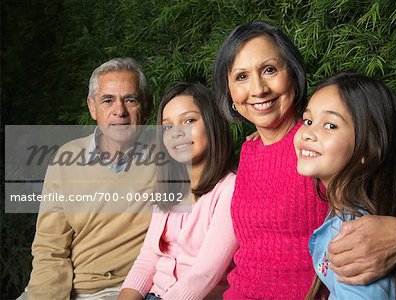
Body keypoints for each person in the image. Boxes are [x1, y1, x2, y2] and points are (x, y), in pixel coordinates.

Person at [211, 20, 396, 299]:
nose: (259, 89)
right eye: (241, 77)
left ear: (294, 74)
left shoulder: (319, 148)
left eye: (270, 70)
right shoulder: (250, 151)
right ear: (228, 92)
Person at [295, 72, 396, 299]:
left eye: (330, 125)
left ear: (368, 147)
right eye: (308, 121)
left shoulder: (358, 238)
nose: (308, 133)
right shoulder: (349, 203)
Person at [22, 57, 156, 300]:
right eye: (108, 100)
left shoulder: (168, 162)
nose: (120, 111)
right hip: (72, 287)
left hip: (129, 290)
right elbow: (50, 248)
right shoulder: (65, 159)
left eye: (130, 99)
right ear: (92, 107)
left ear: (145, 106)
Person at [118, 82, 238, 300]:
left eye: (189, 121)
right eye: (168, 126)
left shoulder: (230, 190)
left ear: (212, 124)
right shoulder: (169, 187)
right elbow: (147, 261)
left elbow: (203, 276)